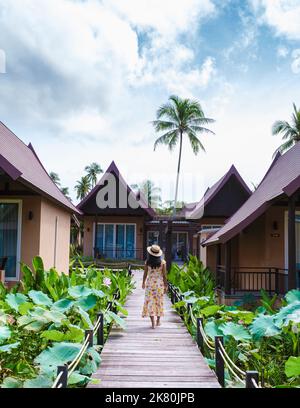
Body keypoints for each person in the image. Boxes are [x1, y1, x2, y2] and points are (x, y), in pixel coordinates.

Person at [142, 244, 168, 329]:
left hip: (150, 284)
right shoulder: (163, 262)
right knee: (159, 302)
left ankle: (152, 322)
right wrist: (166, 285)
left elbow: (145, 273)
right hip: (159, 285)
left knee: (150, 302)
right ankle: (158, 321)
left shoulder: (147, 262)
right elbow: (164, 275)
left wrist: (143, 282)